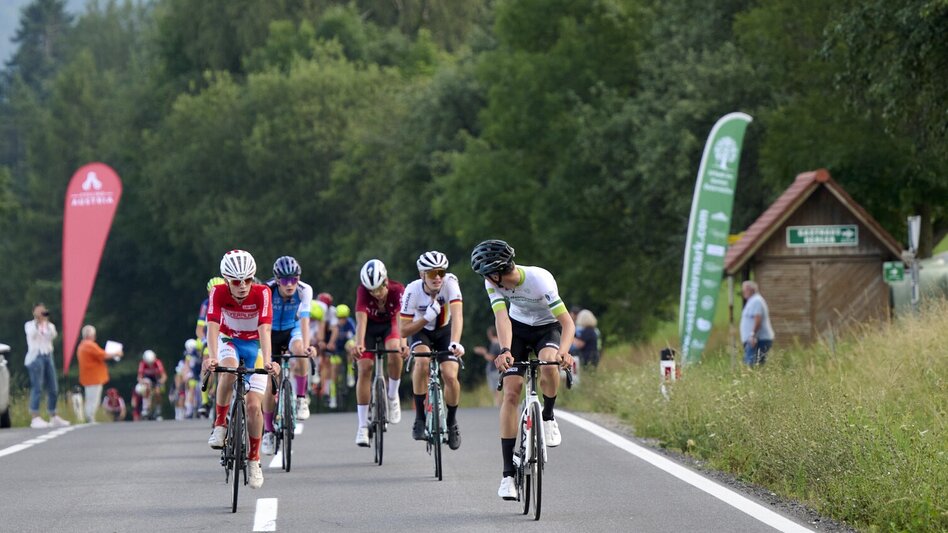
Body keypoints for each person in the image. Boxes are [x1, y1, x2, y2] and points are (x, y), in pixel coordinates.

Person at [470, 239, 575, 500]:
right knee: (511, 391)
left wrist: (564, 351)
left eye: (487, 274)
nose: (486, 279)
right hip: (516, 330)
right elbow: (502, 317)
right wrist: (505, 350)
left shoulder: (540, 281)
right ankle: (507, 476)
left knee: (550, 364)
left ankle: (548, 416)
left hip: (545, 329)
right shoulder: (491, 283)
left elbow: (568, 324)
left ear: (498, 271)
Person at [204, 249, 279, 490]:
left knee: (254, 405)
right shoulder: (218, 292)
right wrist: (212, 357)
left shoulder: (262, 292)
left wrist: (268, 361)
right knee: (227, 369)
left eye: (248, 279)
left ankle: (254, 460)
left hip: (255, 346)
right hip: (230, 341)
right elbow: (213, 326)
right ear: (227, 280)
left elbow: (266, 330)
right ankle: (220, 425)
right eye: (237, 282)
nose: (243, 286)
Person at [399, 251, 465, 449]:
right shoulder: (412, 290)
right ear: (422, 275)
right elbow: (403, 329)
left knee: (450, 375)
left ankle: (452, 422)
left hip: (445, 332)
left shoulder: (450, 283)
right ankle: (419, 418)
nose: (437, 277)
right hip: (422, 332)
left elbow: (458, 316)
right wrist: (426, 317)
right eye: (432, 273)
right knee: (421, 361)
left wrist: (455, 342)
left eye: (441, 272)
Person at [348, 259, 407, 447]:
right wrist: (358, 344)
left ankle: (392, 396)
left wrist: (403, 344)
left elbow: (400, 322)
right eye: (372, 291)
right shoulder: (363, 292)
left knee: (394, 350)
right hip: (370, 329)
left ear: (386, 282)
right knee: (364, 367)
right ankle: (362, 426)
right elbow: (361, 321)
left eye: (379, 289)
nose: (376, 295)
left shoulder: (398, 290)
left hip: (391, 326)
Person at [261, 256, 316, 456]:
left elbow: (304, 319)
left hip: (292, 330)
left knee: (300, 352)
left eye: (294, 278)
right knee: (270, 383)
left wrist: (308, 346)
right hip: (270, 333)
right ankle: (268, 431)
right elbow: (262, 325)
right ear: (277, 280)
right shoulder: (266, 290)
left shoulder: (304, 290)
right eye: (285, 280)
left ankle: (301, 398)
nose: (290, 284)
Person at [24, 303, 70, 428]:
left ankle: (53, 414)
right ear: (34, 312)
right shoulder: (29, 325)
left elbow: (52, 335)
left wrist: (44, 323)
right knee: (37, 387)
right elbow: (32, 334)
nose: (42, 314)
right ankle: (35, 417)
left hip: (48, 356)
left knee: (53, 387)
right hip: (35, 357)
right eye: (39, 311)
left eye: (43, 311)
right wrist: (37, 322)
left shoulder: (49, 326)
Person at [77, 324, 123, 423]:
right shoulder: (89, 345)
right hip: (94, 377)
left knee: (90, 399)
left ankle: (89, 417)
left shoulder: (82, 346)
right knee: (94, 400)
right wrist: (116, 353)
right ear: (91, 335)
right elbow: (103, 355)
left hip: (88, 377)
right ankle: (90, 417)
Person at [740, 280, 774, 366]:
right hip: (755, 339)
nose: (743, 292)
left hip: (758, 339)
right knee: (753, 364)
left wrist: (752, 335)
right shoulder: (752, 301)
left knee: (752, 365)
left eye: (744, 290)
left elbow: (758, 319)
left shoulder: (756, 301)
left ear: (750, 290)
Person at [473, 326, 503, 407]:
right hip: (498, 370)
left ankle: (498, 405)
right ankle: (498, 404)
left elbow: (491, 357)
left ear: (490, 334)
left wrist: (483, 352)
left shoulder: (495, 344)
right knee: (498, 389)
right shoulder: (499, 343)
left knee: (496, 390)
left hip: (494, 370)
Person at [137, 349, 167, 419]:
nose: (150, 365)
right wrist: (142, 382)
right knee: (146, 388)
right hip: (147, 380)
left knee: (158, 393)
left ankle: (158, 409)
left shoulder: (157, 362)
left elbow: (164, 376)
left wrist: (161, 381)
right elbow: (139, 377)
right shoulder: (142, 364)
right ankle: (145, 409)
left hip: (156, 380)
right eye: (148, 363)